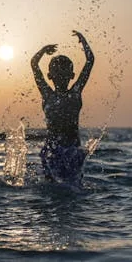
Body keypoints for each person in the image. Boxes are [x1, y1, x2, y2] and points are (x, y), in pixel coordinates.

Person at [30, 30, 94, 183]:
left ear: (72, 76)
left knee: (73, 184)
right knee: (52, 183)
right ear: (50, 76)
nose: (61, 75)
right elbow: (34, 64)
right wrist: (43, 50)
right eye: (57, 72)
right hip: (52, 151)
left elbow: (90, 61)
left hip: (73, 151)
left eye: (64, 72)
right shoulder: (47, 94)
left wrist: (83, 41)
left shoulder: (75, 93)